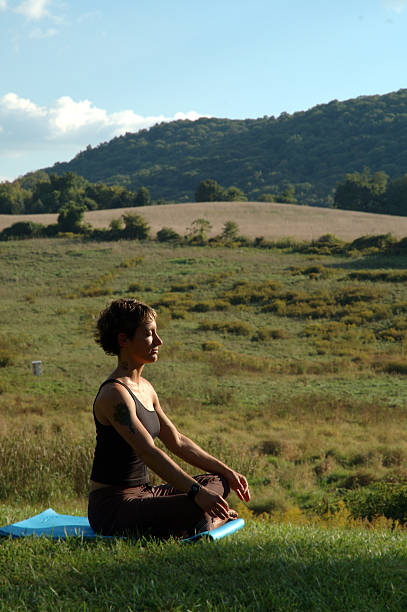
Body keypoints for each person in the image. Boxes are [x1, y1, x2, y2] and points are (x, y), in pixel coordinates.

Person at [88, 298, 251, 538]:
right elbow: (148, 452)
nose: (158, 341)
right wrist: (196, 492)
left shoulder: (145, 387)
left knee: (217, 481)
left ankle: (204, 517)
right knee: (196, 503)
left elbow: (177, 440)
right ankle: (206, 520)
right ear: (123, 339)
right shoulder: (114, 394)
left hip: (146, 494)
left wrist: (227, 472)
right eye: (148, 334)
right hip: (114, 507)